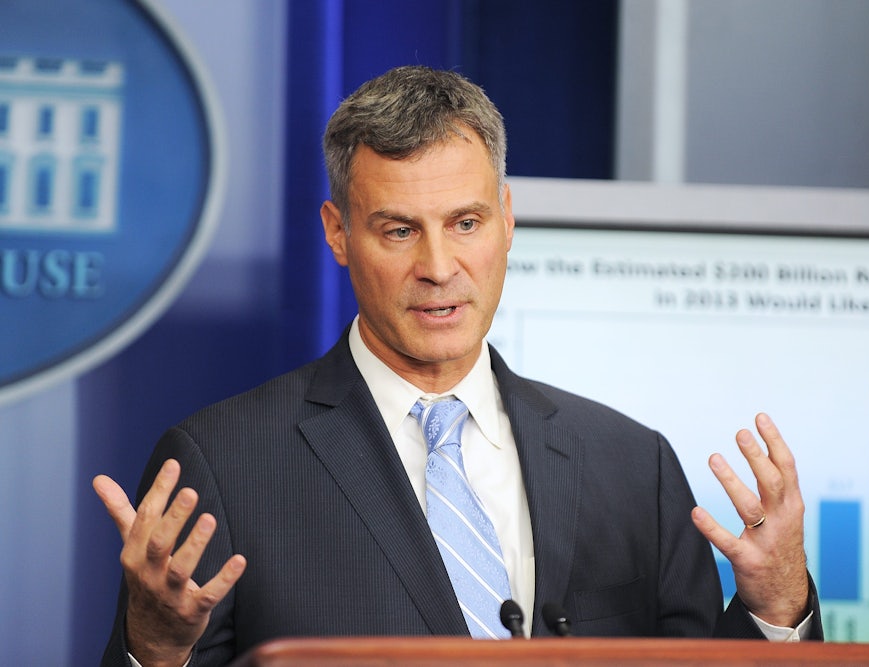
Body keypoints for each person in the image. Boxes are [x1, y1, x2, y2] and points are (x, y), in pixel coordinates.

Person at [93, 65, 821, 667]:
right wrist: (156, 649)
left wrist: (777, 606)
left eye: (465, 223)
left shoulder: (633, 466)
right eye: (399, 230)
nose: (438, 268)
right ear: (338, 233)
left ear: (507, 220)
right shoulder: (223, 462)